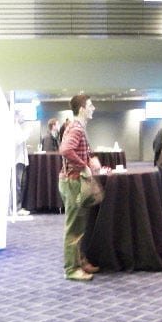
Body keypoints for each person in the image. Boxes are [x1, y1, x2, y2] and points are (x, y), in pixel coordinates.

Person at [58, 93, 102, 281]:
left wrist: (89, 160)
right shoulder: (76, 128)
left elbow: (74, 150)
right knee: (74, 228)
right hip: (73, 182)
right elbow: (66, 150)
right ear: (82, 109)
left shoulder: (76, 126)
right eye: (90, 105)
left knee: (79, 227)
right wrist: (83, 166)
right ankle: (71, 269)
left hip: (73, 181)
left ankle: (80, 261)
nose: (93, 108)